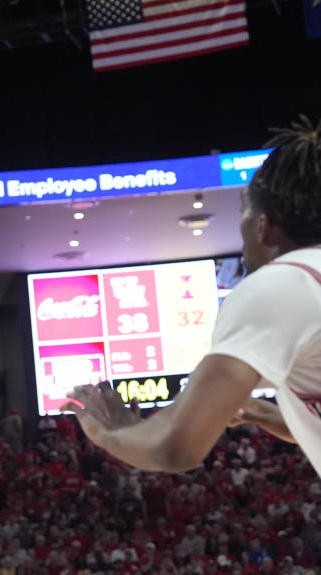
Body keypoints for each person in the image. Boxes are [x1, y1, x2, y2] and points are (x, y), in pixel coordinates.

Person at [62, 116, 321, 475]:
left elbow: (175, 448)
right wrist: (288, 417)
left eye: (243, 212)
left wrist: (111, 432)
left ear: (265, 226)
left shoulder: (282, 282)